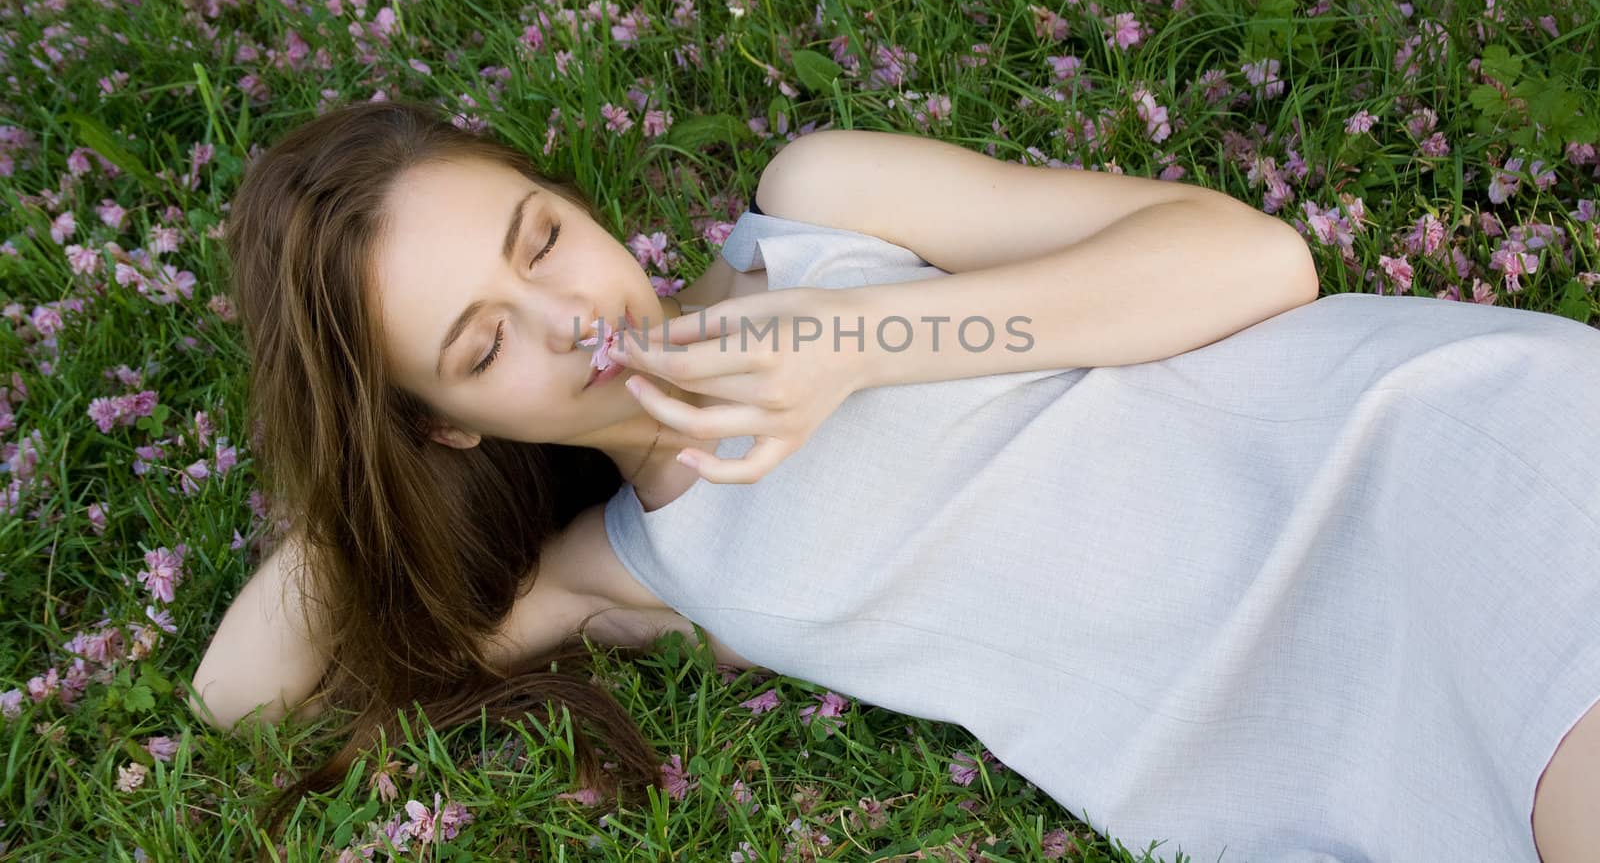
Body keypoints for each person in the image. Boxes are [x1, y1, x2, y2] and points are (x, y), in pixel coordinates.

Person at [191, 97, 1600, 863]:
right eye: (485, 343)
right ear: (447, 426)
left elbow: (1256, 263)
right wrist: (354, 454)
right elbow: (236, 696)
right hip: (1312, 744)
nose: (571, 315)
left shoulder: (818, 217)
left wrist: (858, 341)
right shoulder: (631, 565)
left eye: (541, 235)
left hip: (1435, 475)